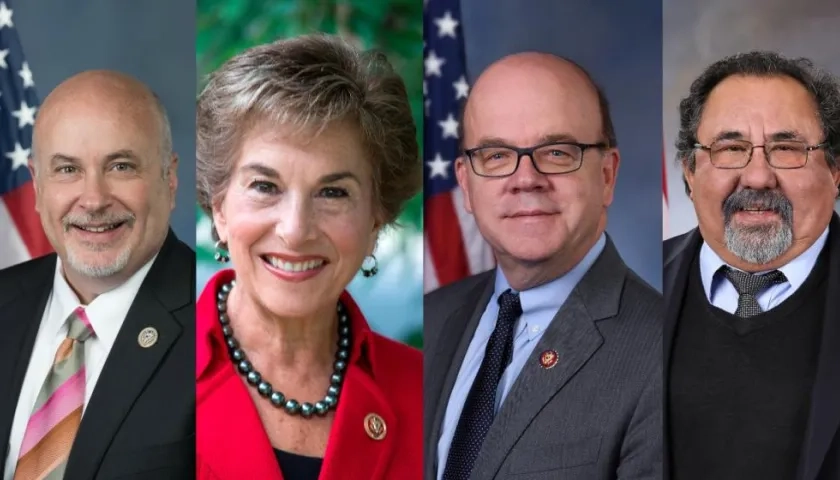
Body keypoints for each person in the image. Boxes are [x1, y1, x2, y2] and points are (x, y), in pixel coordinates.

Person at [424, 52, 662, 480]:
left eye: (556, 152)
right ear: (465, 182)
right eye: (496, 156)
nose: (526, 178)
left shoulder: (664, 355)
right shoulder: (435, 317)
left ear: (607, 175)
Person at [195, 34, 423, 480]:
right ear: (219, 207)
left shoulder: (430, 388)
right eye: (265, 186)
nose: (295, 230)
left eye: (333, 192)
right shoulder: (142, 378)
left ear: (376, 219)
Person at [0, 71, 195, 479]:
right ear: (36, 185)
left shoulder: (217, 319)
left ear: (170, 178)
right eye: (68, 170)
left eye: (121, 166)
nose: (93, 200)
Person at [664, 51, 840, 480]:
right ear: (690, 170)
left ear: (836, 170)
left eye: (787, 148)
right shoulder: (635, 291)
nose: (758, 176)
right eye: (731, 148)